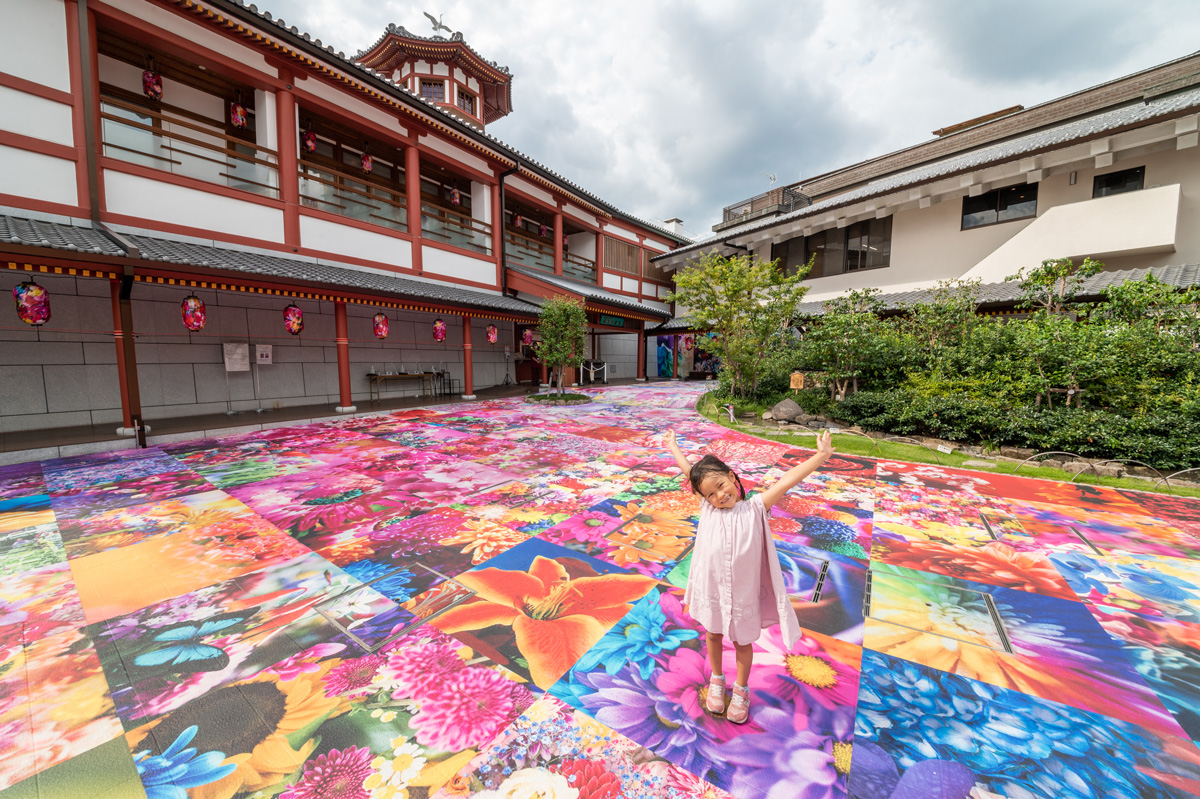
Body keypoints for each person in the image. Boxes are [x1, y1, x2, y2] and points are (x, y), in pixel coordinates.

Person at [663, 429, 833, 724]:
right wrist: (673, 446)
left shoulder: (755, 508)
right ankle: (717, 679)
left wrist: (820, 455)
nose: (719, 495)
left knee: (743, 641)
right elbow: (690, 472)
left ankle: (741, 689)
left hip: (742, 595)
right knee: (713, 634)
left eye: (721, 485)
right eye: (710, 494)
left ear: (731, 476)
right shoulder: (708, 507)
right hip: (713, 590)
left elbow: (786, 481)